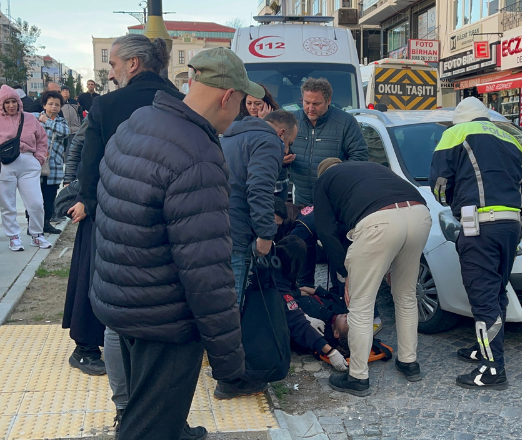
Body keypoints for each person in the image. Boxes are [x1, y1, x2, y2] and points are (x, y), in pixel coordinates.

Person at [90, 47, 253, 440]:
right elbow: (207, 271)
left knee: (147, 406)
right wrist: (230, 364)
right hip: (164, 315)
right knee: (148, 427)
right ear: (227, 96)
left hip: (123, 293)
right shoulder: (197, 156)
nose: (243, 112)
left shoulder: (142, 119)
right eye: (244, 101)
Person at [70, 32, 189, 435]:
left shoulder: (108, 105)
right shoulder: (181, 101)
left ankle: (126, 411)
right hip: (172, 224)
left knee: (120, 319)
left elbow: (90, 163)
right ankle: (168, 415)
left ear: (133, 64)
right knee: (167, 316)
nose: (111, 71)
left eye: (114, 64)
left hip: (116, 221)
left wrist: (86, 201)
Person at [429, 97, 522, 390]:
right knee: (496, 292)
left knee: (483, 297)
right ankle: (483, 348)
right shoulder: (513, 140)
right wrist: (518, 230)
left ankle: (491, 370)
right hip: (510, 226)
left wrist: (455, 207)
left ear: (461, 119)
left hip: (479, 225)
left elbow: (439, 184)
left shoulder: (455, 133)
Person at [314, 158, 431, 397]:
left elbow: (325, 232)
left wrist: (345, 273)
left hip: (379, 223)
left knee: (361, 305)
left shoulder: (323, 181)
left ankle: (357, 376)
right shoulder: (368, 168)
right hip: (419, 215)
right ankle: (409, 362)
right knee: (406, 295)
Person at [216, 236, 348, 399]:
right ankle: (236, 382)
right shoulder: (275, 283)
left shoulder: (262, 266)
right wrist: (330, 351)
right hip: (245, 340)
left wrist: (300, 295)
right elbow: (296, 322)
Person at [220, 108, 296, 303]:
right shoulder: (269, 142)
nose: (286, 150)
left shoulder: (230, 135)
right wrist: (265, 234)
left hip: (213, 222)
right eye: (288, 143)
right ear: (281, 133)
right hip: (236, 228)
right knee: (233, 302)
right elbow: (259, 188)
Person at [0, 85, 53, 251]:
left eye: (13, 101)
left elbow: (42, 138)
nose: (11, 105)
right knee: (7, 203)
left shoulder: (29, 118)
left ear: (19, 102)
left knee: (36, 202)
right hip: (4, 163)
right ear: (1, 103)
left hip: (28, 161)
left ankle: (37, 234)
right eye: (7, 102)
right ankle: (13, 236)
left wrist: (39, 158)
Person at [289, 77, 368, 205]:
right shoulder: (293, 121)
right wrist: (283, 160)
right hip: (301, 199)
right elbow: (281, 149)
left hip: (333, 198)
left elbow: (360, 156)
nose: (310, 108)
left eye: (316, 104)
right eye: (306, 102)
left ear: (328, 100)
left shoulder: (346, 122)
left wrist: (337, 175)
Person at [32, 90, 70, 233]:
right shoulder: (34, 118)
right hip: (37, 163)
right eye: (50, 104)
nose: (54, 107)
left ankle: (46, 223)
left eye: (57, 105)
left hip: (54, 166)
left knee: (49, 197)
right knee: (35, 197)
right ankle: (33, 225)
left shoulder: (61, 121)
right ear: (44, 105)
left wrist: (47, 121)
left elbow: (65, 132)